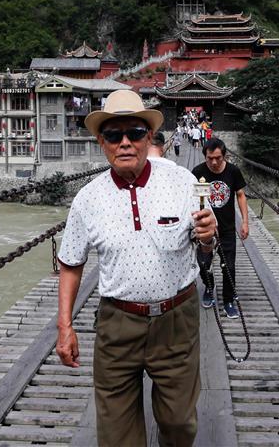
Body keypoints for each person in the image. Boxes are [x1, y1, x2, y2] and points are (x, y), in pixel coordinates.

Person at [55, 89, 218, 447]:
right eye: (114, 135)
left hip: (176, 320)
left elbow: (205, 243)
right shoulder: (87, 199)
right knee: (116, 435)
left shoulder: (182, 182)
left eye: (135, 133)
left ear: (149, 137)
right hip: (117, 323)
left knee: (179, 424)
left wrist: (208, 237)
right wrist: (64, 327)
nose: (125, 142)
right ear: (102, 142)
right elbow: (70, 263)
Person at [191, 137, 248, 319]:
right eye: (210, 158)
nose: (214, 162)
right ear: (205, 156)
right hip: (205, 229)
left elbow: (240, 195)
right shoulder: (198, 172)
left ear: (224, 156)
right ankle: (209, 287)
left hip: (227, 228)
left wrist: (245, 222)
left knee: (228, 267)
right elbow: (196, 200)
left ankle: (229, 300)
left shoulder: (233, 171)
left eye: (218, 158)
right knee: (203, 263)